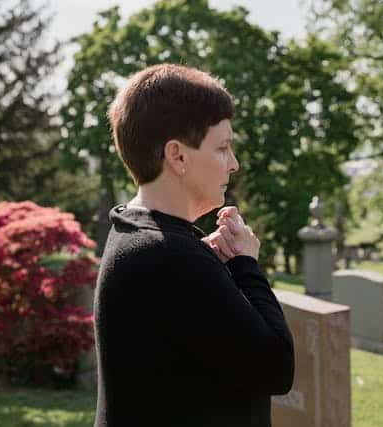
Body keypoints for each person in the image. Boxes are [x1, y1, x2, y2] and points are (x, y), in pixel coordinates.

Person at [94, 63, 294, 427]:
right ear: (178, 156)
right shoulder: (170, 256)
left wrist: (208, 259)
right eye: (222, 148)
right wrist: (246, 264)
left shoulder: (134, 229)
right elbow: (276, 367)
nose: (233, 164)